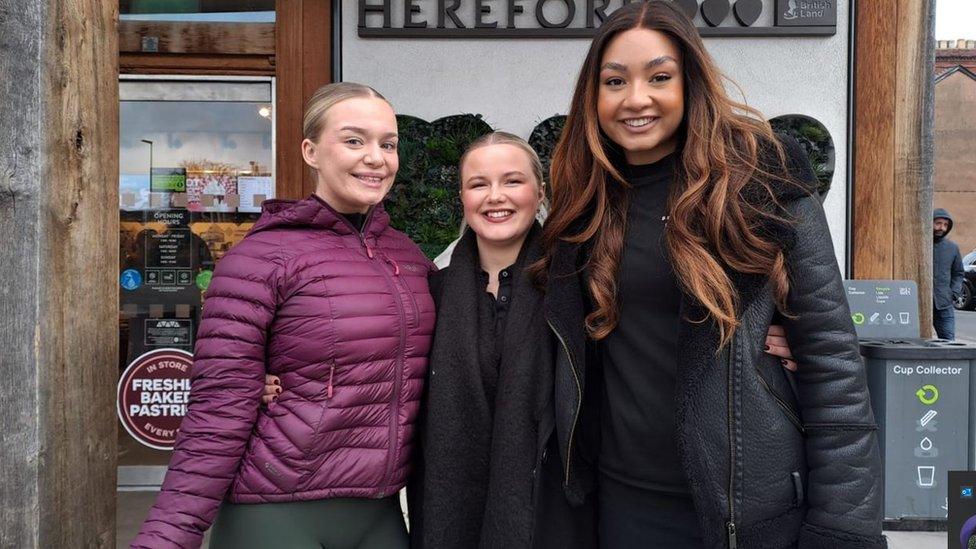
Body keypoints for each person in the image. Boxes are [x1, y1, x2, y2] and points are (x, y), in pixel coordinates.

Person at [534, 2, 886, 548]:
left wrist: (843, 526)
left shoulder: (761, 185)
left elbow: (833, 365)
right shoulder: (585, 200)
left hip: (749, 513)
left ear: (690, 82)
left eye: (659, 77)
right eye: (614, 81)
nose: (636, 99)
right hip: (621, 504)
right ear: (593, 94)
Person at [132, 82, 436, 549]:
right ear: (311, 151)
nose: (376, 157)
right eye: (354, 140)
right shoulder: (261, 259)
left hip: (380, 511)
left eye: (388, 144)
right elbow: (218, 408)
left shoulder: (411, 258)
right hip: (275, 512)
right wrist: (169, 535)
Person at [933, 208, 964, 340]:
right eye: (938, 223)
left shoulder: (952, 248)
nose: (942, 228)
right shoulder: (919, 245)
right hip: (918, 304)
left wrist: (954, 292)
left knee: (949, 341)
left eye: (945, 225)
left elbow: (958, 273)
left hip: (944, 304)